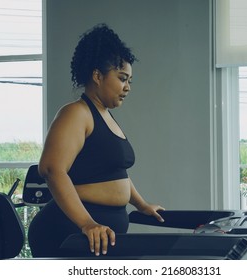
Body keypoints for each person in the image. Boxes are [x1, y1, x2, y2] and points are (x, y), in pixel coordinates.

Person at [28, 24, 165, 257]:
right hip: (69, 231)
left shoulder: (104, 115)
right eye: (122, 78)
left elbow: (116, 172)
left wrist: (141, 204)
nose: (128, 87)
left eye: (130, 81)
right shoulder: (76, 113)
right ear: (97, 76)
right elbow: (52, 169)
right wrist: (87, 223)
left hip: (97, 234)